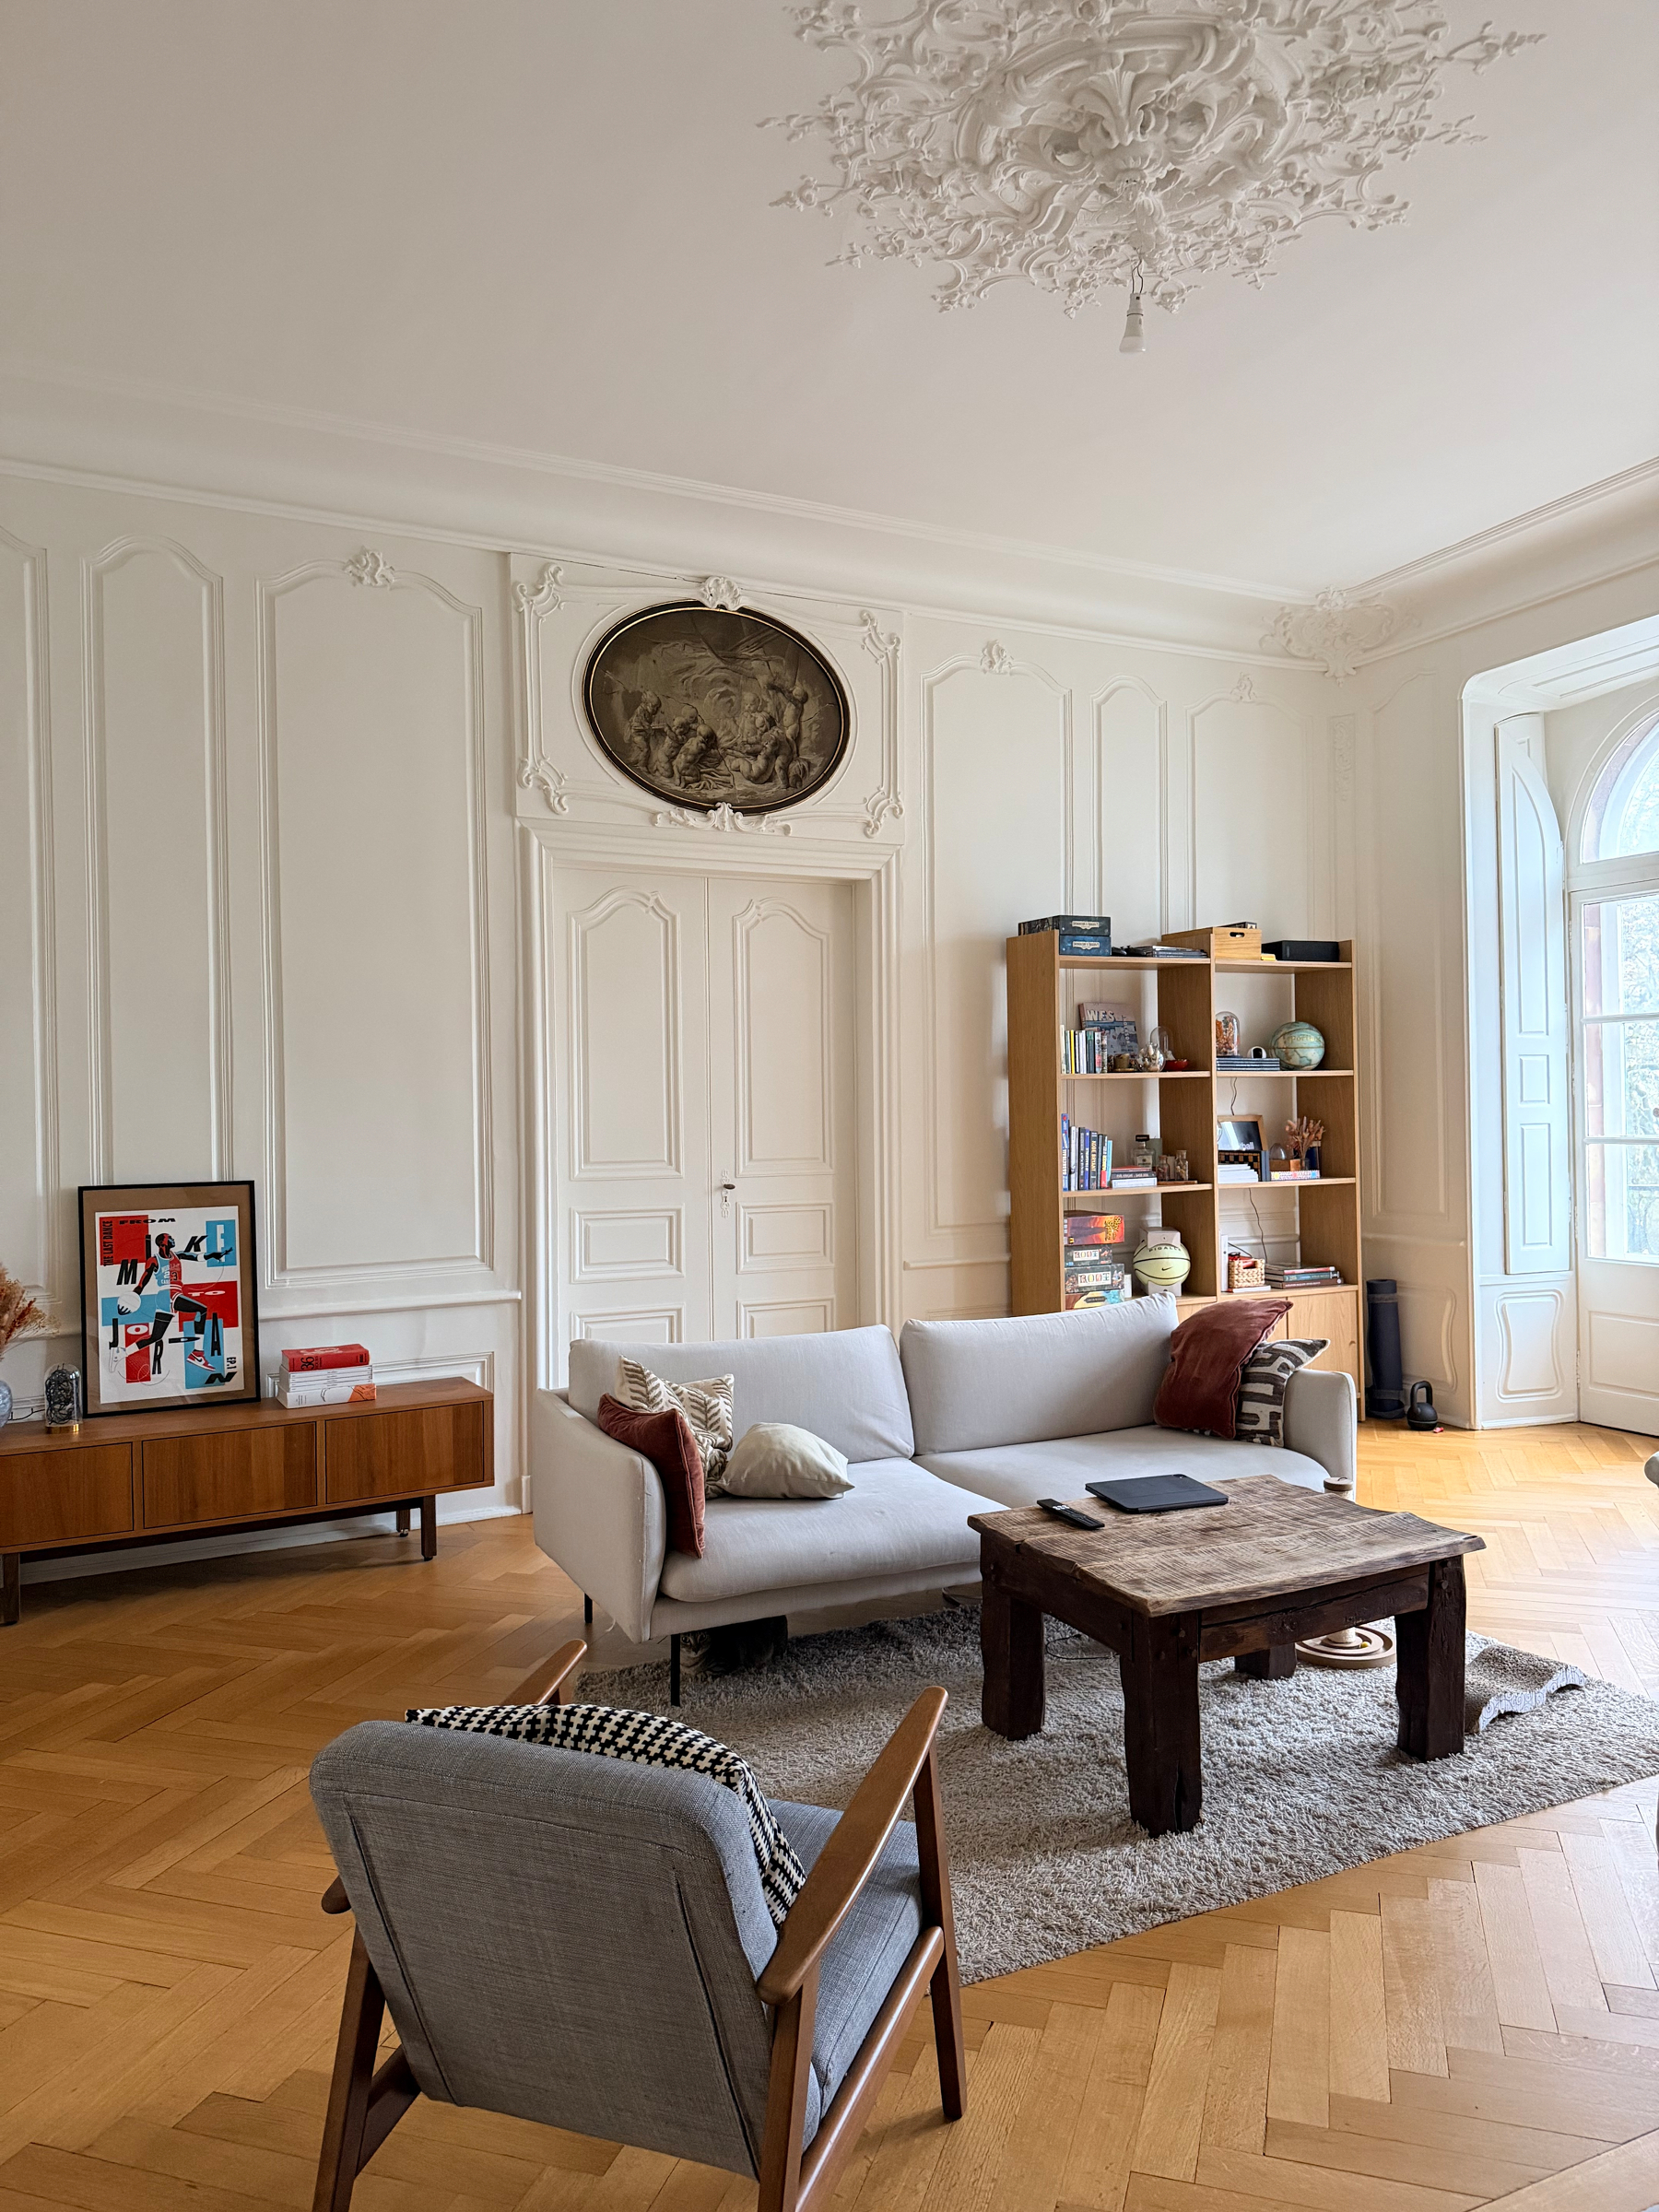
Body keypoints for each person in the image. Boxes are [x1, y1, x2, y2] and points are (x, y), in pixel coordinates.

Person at [121, 1231, 214, 1379]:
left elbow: (197, 1257)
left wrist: (213, 1255)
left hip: (168, 1298)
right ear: (162, 1243)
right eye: (169, 1238)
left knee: (155, 1336)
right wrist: (134, 1296)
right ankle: (197, 1353)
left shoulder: (177, 1255)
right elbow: (143, 1280)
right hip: (168, 1294)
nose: (173, 1239)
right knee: (201, 1310)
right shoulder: (154, 1260)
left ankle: (123, 1352)